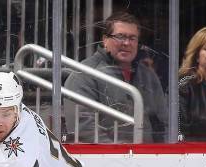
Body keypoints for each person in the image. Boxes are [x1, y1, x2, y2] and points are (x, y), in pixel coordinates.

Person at [64, 11, 168, 143]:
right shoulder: (84, 74)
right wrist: (120, 155)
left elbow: (162, 122)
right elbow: (84, 128)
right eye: (120, 36)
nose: (126, 43)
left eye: (132, 38)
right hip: (105, 159)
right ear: (105, 40)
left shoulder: (148, 75)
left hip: (150, 158)